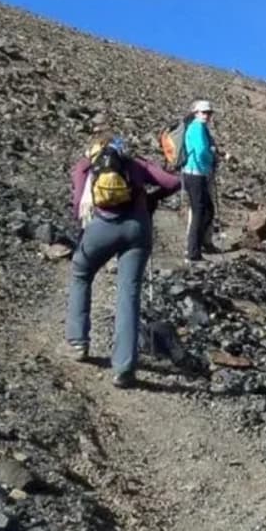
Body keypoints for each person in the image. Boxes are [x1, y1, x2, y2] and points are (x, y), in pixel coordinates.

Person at [64, 134, 181, 388]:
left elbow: (77, 206)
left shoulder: (86, 165)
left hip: (102, 227)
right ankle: (124, 367)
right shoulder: (134, 162)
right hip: (137, 229)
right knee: (128, 293)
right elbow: (173, 182)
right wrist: (152, 198)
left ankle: (78, 342)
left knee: (81, 274)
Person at [182, 100, 219, 262]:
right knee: (200, 212)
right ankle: (193, 252)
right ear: (196, 113)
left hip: (197, 173)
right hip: (195, 173)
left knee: (206, 210)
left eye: (209, 113)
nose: (207, 115)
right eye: (204, 112)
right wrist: (212, 157)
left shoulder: (199, 127)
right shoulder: (197, 127)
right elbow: (201, 150)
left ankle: (197, 245)